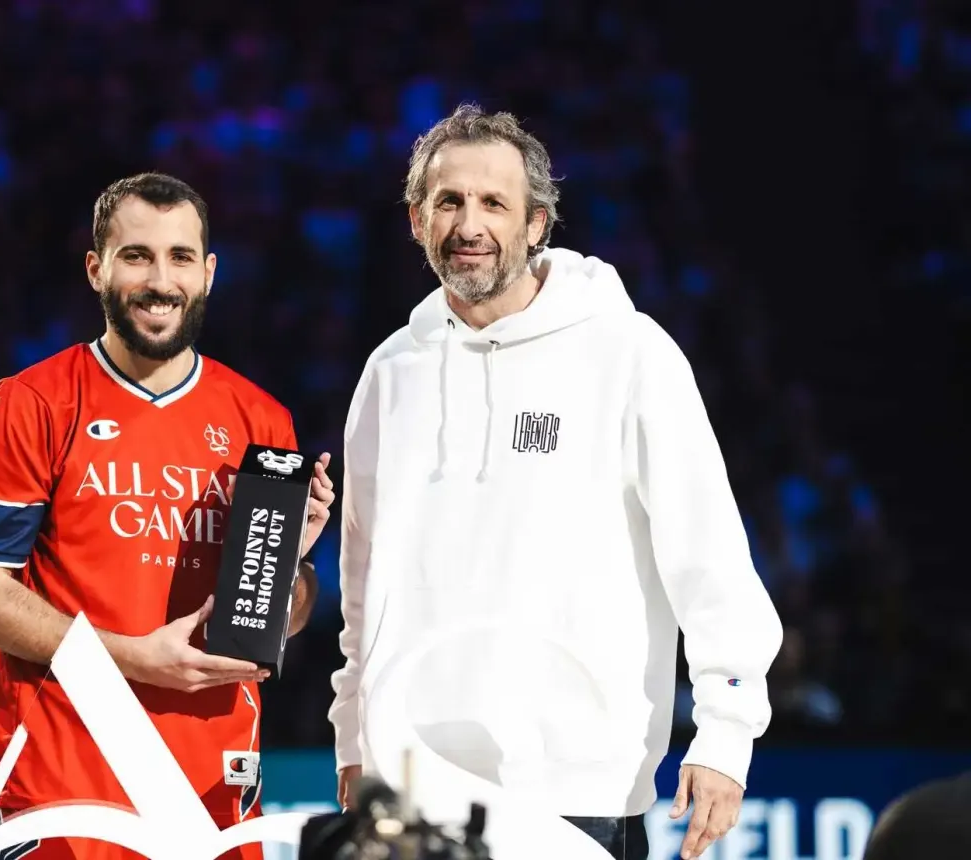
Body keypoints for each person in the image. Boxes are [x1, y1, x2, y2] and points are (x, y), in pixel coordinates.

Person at [328, 104, 784, 860]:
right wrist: (353, 731)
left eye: (493, 203)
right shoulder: (391, 371)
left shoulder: (629, 352)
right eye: (448, 201)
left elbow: (708, 556)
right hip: (411, 784)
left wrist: (727, 731)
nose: (469, 224)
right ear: (416, 220)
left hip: (577, 791)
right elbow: (362, 575)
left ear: (536, 223)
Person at [0, 172, 335, 860]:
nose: (160, 280)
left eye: (180, 257)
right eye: (136, 256)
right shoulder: (35, 403)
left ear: (208, 273)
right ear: (97, 270)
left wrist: (287, 566)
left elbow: (279, 619)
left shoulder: (261, 419)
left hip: (214, 800)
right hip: (66, 796)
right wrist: (131, 659)